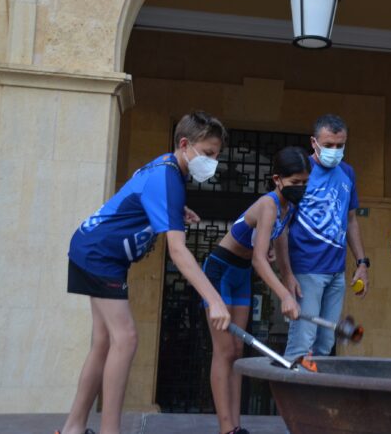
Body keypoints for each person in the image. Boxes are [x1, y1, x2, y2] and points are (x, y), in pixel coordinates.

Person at [57, 111, 231, 434]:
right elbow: (177, 252)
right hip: (100, 255)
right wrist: (214, 300)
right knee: (126, 339)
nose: (212, 162)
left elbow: (140, 196)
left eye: (216, 156)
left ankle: (73, 428)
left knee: (104, 341)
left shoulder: (167, 168)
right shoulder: (169, 178)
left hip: (91, 247)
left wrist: (175, 211)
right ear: (184, 144)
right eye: (208, 153)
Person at [204, 146, 308, 434]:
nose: (300, 188)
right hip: (220, 272)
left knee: (237, 351)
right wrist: (284, 296)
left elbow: (280, 239)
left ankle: (236, 425)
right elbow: (261, 259)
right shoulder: (269, 204)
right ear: (278, 179)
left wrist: (288, 276)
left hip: (241, 272)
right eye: (294, 183)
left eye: (304, 183)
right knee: (224, 350)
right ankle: (226, 429)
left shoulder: (289, 208)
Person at [277, 114, 369, 360]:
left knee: (326, 343)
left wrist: (362, 263)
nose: (335, 151)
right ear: (314, 142)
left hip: (336, 272)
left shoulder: (347, 173)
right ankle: (291, 397)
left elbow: (351, 220)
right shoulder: (299, 172)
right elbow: (281, 223)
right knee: (301, 343)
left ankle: (314, 399)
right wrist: (287, 274)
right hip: (306, 270)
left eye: (340, 145)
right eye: (328, 145)